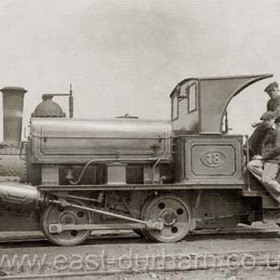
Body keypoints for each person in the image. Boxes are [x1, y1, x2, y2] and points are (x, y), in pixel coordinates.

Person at [247, 111, 280, 204]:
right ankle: (270, 183)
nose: (266, 122)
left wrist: (262, 157)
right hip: (266, 159)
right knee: (251, 165)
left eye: (268, 120)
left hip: (274, 160)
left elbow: (277, 149)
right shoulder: (267, 128)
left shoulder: (278, 131)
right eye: (265, 121)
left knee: (267, 180)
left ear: (273, 120)